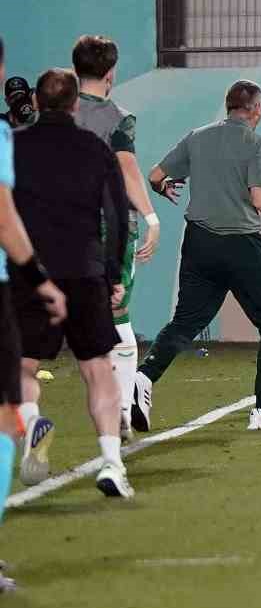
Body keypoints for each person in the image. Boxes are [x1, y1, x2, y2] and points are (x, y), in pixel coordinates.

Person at [135, 80, 261, 431]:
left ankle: (144, 377)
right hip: (242, 245)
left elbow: (155, 175)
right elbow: (260, 198)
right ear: (256, 109)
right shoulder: (257, 144)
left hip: (199, 243)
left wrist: (164, 187)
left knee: (185, 322)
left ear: (229, 106)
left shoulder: (197, 136)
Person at [10, 69, 133, 497]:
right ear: (75, 104)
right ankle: (112, 464)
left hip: (30, 273)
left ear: (38, 102)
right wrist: (113, 274)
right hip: (83, 271)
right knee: (98, 368)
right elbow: (116, 215)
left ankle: (31, 424)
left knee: (23, 365)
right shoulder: (95, 148)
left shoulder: (13, 146)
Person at [0, 36, 69, 594]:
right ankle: (28, 430)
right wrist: (41, 277)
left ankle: (29, 427)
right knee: (13, 391)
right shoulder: (17, 141)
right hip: (14, 273)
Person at [71, 34, 161, 438]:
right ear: (111, 72)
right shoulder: (119, 117)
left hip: (63, 227)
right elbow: (126, 168)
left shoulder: (54, 115)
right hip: (110, 227)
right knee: (119, 315)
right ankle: (122, 407)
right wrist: (151, 215)